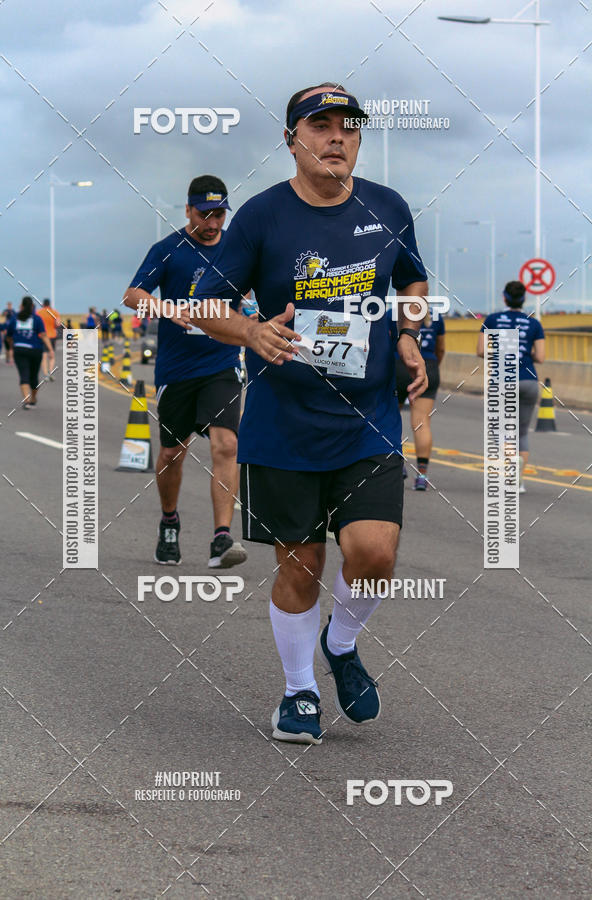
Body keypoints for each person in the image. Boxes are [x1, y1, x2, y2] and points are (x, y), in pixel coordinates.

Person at [189, 83, 428, 744]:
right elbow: (206, 305)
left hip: (367, 419)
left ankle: (341, 643)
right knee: (301, 567)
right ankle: (299, 692)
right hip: (284, 425)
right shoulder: (262, 217)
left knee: (373, 553)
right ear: (292, 140)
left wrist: (409, 332)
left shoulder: (388, 207)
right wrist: (252, 331)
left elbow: (412, 278)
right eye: (320, 125)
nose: (337, 137)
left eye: (348, 126)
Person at [123, 174, 248, 570]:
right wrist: (166, 309)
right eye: (204, 215)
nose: (213, 223)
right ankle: (169, 521)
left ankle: (221, 538)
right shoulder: (168, 250)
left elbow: (253, 289)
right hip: (177, 368)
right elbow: (132, 295)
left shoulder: (237, 247)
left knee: (226, 445)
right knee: (173, 454)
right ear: (188, 210)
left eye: (219, 215)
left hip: (221, 363)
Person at [477, 280, 545, 493]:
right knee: (522, 432)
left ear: (504, 298)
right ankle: (519, 482)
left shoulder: (493, 319)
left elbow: (481, 351)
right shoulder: (533, 323)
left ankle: (509, 468)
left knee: (500, 430)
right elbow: (541, 357)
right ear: (524, 299)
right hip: (529, 381)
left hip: (502, 381)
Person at [395, 310, 445, 490]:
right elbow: (441, 349)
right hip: (429, 365)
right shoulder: (436, 317)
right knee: (422, 423)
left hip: (399, 364)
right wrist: (430, 368)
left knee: (391, 417)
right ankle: (422, 476)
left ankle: (398, 465)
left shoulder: (393, 313)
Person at [5, 296, 53, 408]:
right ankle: (33, 398)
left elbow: (8, 336)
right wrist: (50, 349)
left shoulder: (14, 318)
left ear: (21, 306)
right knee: (34, 376)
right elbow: (43, 335)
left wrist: (12, 345)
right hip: (35, 350)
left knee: (24, 375)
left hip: (20, 349)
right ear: (32, 306)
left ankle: (26, 400)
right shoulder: (37, 319)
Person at [37, 298, 61, 382]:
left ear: (43, 304)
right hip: (52, 335)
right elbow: (58, 324)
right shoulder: (54, 312)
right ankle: (51, 372)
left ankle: (45, 373)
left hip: (42, 335)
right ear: (49, 304)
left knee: (44, 355)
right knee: (52, 354)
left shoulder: (38, 312)